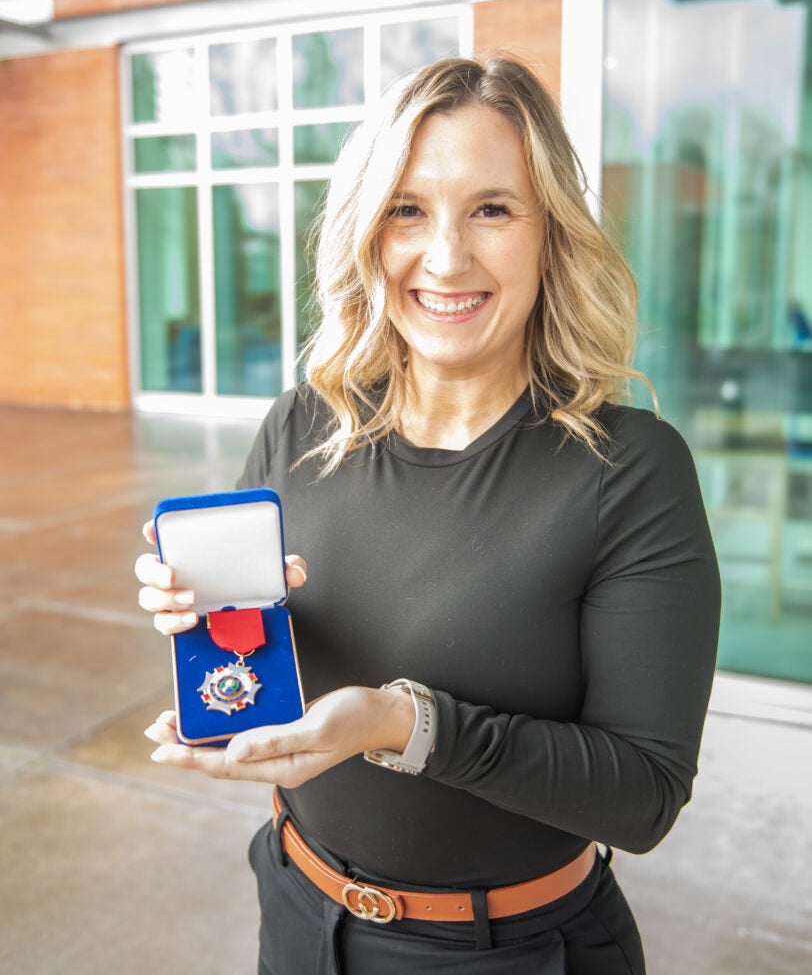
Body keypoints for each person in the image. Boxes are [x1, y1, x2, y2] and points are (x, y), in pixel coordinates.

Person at [136, 55, 720, 975]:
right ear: (369, 230)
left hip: (514, 954)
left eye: (492, 208)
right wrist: (202, 620)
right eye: (409, 208)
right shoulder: (301, 425)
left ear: (550, 235)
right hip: (298, 912)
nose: (445, 256)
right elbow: (249, 666)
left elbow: (644, 795)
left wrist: (401, 725)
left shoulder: (630, 471)